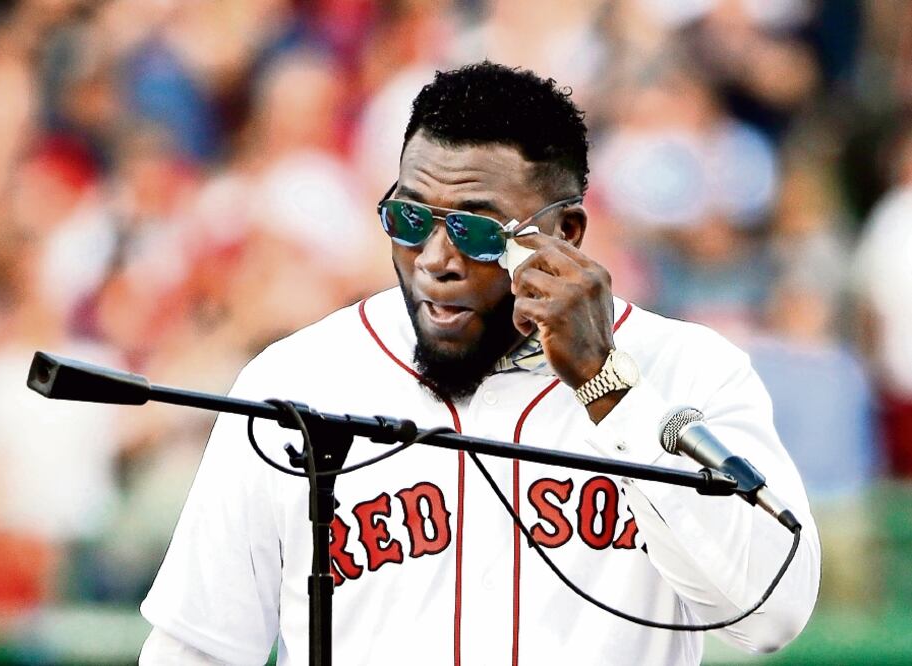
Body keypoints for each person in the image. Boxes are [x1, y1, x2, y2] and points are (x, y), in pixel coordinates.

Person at [139, 62, 820, 665]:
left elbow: (771, 614)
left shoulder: (690, 369)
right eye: (410, 221)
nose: (436, 259)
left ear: (565, 234)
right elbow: (196, 648)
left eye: (474, 230)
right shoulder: (298, 379)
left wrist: (608, 389)